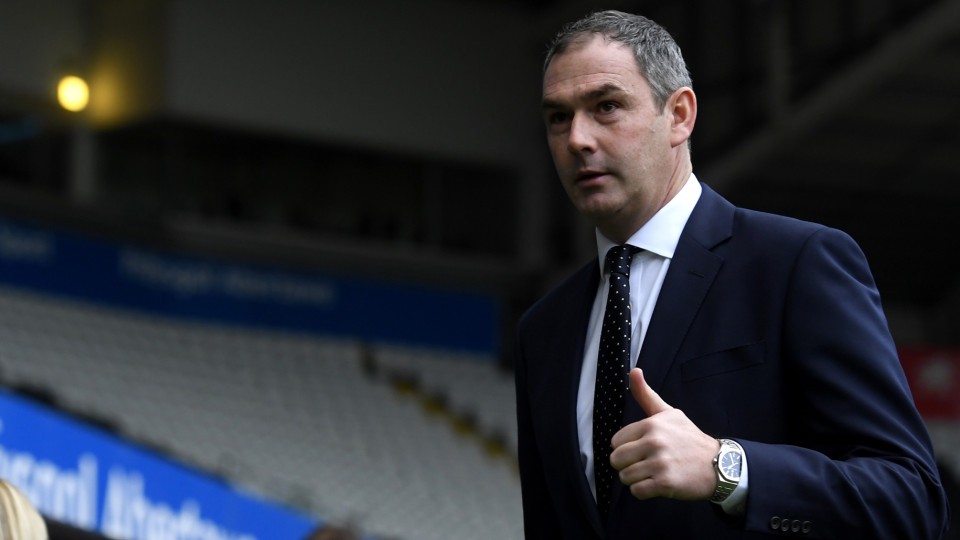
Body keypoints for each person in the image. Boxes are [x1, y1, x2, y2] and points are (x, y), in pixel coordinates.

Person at [514, 9, 949, 540]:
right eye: (558, 117)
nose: (577, 139)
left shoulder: (796, 263)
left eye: (606, 106)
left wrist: (728, 470)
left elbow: (910, 500)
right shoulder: (544, 330)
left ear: (679, 115)